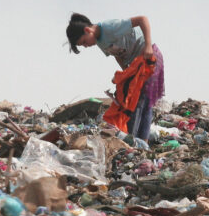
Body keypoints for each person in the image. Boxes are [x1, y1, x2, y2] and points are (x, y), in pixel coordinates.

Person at [66, 13, 165, 143]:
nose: (86, 46)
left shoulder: (110, 27)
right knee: (135, 100)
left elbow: (142, 19)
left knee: (141, 101)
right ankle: (138, 142)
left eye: (84, 42)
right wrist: (125, 74)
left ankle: (137, 140)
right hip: (137, 65)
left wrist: (147, 45)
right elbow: (118, 55)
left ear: (87, 30)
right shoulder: (100, 42)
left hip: (150, 58)